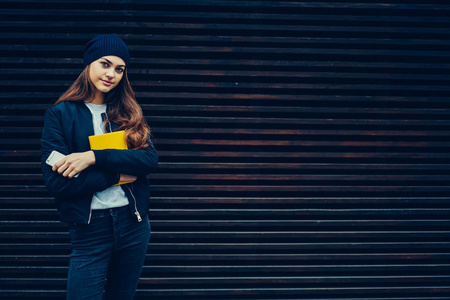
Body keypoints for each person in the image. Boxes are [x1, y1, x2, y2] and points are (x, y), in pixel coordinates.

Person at [40, 34, 158, 300]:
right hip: (90, 229)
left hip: (133, 225)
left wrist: (93, 157)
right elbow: (57, 182)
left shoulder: (127, 112)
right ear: (89, 64)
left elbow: (148, 160)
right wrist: (116, 175)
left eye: (119, 69)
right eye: (105, 64)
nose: (112, 74)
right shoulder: (60, 115)